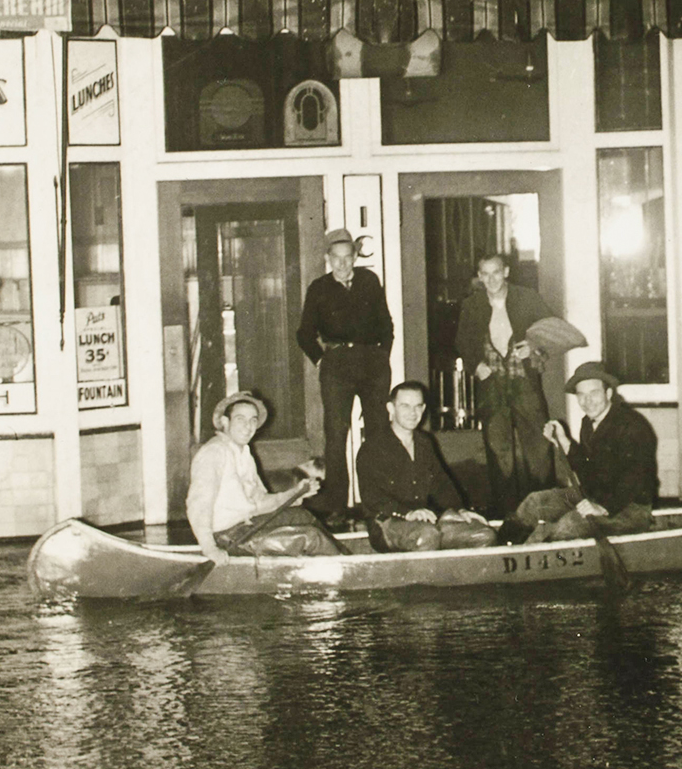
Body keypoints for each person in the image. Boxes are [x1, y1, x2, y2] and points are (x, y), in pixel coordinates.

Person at [294, 228, 394, 529]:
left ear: (354, 257)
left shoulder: (369, 281)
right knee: (336, 435)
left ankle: (377, 503)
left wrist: (381, 356)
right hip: (337, 365)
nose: (342, 264)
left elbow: (386, 324)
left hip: (372, 363)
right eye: (336, 259)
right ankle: (335, 505)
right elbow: (304, 334)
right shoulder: (319, 288)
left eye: (347, 258)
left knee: (377, 432)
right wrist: (324, 359)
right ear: (328, 259)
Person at [455, 252, 557, 518]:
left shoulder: (527, 298)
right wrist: (476, 367)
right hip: (492, 384)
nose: (491, 279)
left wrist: (534, 348)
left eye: (496, 272)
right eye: (485, 274)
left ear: (506, 272)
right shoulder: (472, 305)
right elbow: (462, 343)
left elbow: (552, 332)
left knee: (538, 447)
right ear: (479, 276)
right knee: (498, 449)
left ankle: (543, 514)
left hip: (524, 381)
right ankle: (507, 516)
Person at [187, 391, 343, 563]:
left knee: (303, 517)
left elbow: (260, 502)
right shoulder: (213, 453)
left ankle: (346, 557)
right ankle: (348, 569)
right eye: (241, 419)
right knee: (310, 537)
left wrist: (295, 493)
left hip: (247, 524)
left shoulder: (244, 453)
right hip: (227, 537)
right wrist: (210, 549)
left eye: (253, 420)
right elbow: (198, 505)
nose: (248, 426)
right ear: (225, 422)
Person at [513, 361, 658, 544]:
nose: (587, 401)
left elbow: (634, 479)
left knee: (569, 525)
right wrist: (563, 441)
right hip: (590, 496)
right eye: (581, 395)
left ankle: (538, 552)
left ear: (608, 393)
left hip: (628, 508)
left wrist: (602, 508)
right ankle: (501, 549)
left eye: (594, 393)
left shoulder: (632, 426)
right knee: (535, 502)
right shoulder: (588, 424)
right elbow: (587, 468)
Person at [356, 381, 498, 552]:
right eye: (405, 406)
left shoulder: (425, 444)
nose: (412, 413)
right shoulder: (372, 447)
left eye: (417, 406)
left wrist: (460, 510)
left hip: (425, 522)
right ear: (391, 408)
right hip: (387, 524)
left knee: (484, 535)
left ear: (423, 409)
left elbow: (441, 483)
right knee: (427, 535)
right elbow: (371, 496)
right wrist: (407, 513)